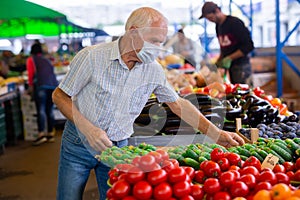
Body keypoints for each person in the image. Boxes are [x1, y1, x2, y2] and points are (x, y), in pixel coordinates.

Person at [52, 7, 244, 200]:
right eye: (154, 41)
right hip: (79, 142)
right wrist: (90, 129)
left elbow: (178, 105)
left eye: (160, 42)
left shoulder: (153, 70)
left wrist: (215, 132)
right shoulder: (92, 57)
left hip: (118, 147)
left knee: (113, 196)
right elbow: (60, 96)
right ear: (133, 31)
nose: (158, 48)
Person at [199, 1, 254, 84]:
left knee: (245, 92)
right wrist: (219, 60)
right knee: (235, 92)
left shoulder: (235, 23)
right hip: (231, 68)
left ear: (217, 11)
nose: (210, 21)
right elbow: (223, 46)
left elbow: (249, 46)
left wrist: (230, 58)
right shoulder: (218, 26)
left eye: (210, 18)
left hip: (242, 67)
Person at [26, 42, 58, 145]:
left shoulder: (31, 60)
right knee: (50, 110)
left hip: (41, 86)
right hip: (52, 86)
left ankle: (41, 134)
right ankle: (50, 133)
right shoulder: (47, 59)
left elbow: (31, 75)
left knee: (41, 110)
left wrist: (30, 87)